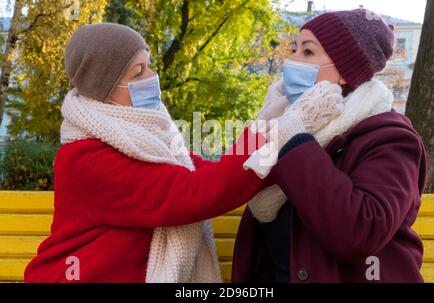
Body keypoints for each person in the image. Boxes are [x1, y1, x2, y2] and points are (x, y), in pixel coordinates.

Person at [24, 23, 341, 283]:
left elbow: (200, 170)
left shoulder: (142, 134)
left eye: (148, 65)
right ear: (106, 88)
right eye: (138, 72)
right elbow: (193, 193)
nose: (151, 77)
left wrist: (269, 121)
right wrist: (286, 128)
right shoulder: (86, 159)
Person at [232, 9, 428, 283]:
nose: (292, 61)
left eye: (309, 53)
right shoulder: (283, 121)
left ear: (345, 72)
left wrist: (296, 139)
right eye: (294, 49)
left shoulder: (392, 139)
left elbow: (358, 233)